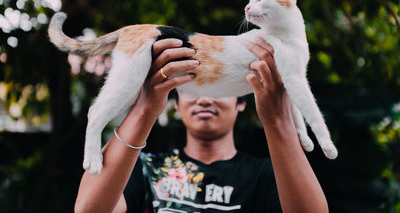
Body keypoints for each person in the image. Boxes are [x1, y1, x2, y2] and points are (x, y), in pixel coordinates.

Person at [75, 37, 329, 213]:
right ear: (176, 102)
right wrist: (143, 108)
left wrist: (278, 120)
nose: (205, 98)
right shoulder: (144, 169)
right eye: (193, 85)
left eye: (217, 86)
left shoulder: (268, 175)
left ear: (242, 100)